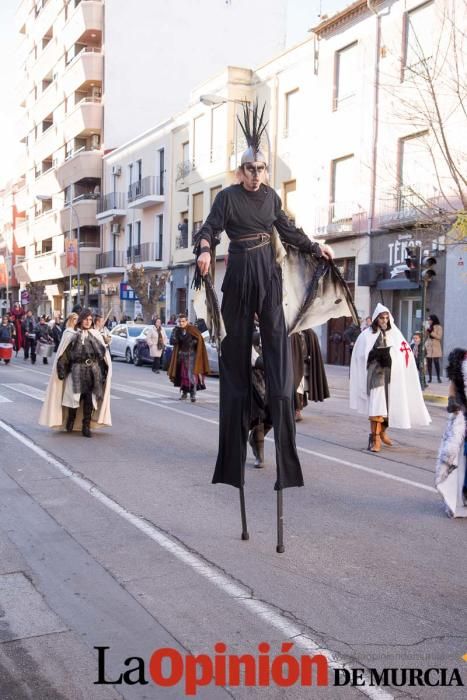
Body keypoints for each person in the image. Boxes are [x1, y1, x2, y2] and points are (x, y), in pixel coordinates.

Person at [194, 102, 333, 496]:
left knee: (278, 348)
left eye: (261, 169)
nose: (255, 175)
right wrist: (204, 249)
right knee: (236, 362)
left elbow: (288, 232)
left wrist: (315, 246)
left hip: (267, 274)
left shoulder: (271, 198)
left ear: (267, 171)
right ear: (240, 172)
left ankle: (283, 417)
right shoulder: (227, 198)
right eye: (249, 169)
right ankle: (234, 450)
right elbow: (209, 229)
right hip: (239, 273)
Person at [349, 303, 431, 452]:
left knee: (389, 406)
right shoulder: (366, 335)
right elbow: (360, 356)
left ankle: (382, 432)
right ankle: (375, 439)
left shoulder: (395, 333)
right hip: (376, 375)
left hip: (392, 376)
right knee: (377, 406)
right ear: (376, 319)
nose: (384, 320)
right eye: (381, 318)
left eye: (386, 317)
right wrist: (374, 356)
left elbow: (404, 352)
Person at [39, 309, 112, 437]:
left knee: (89, 400)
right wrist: (61, 370)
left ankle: (86, 426)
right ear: (80, 320)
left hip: (91, 372)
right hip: (76, 371)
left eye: (90, 320)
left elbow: (102, 355)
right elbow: (65, 354)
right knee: (74, 400)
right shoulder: (71, 334)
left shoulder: (95, 334)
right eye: (85, 319)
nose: (88, 322)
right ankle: (71, 420)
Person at [435, 348, 467, 517]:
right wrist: (454, 404)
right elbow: (453, 387)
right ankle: (460, 493)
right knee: (458, 456)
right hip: (463, 417)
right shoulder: (460, 360)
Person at [168, 314, 209, 402]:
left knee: (191, 375)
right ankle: (184, 392)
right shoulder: (177, 330)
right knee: (182, 375)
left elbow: (199, 340)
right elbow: (172, 341)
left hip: (192, 356)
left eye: (183, 321)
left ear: (186, 321)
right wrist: (175, 335)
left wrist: (193, 342)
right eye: (180, 321)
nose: (181, 323)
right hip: (181, 356)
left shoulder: (192, 329)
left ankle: (193, 393)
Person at [291, 328, 330, 421]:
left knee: (298, 389)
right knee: (298, 388)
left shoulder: (308, 333)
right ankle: (296, 410)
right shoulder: (295, 333)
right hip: (296, 364)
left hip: (302, 365)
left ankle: (297, 410)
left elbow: (309, 350)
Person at [425, 314, 443, 383]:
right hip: (428, 346)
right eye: (428, 320)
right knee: (429, 363)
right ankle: (430, 378)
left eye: (430, 320)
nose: (428, 321)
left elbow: (439, 337)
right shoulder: (428, 327)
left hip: (436, 346)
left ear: (433, 320)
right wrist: (426, 329)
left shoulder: (439, 327)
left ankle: (438, 378)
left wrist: (431, 332)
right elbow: (425, 336)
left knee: (436, 362)